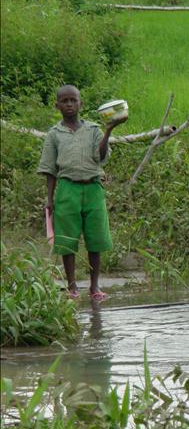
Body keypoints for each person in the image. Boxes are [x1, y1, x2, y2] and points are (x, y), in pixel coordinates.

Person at [37, 84, 126, 304]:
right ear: (57, 105)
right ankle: (72, 286)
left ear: (81, 104)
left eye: (73, 100)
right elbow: (50, 169)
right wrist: (49, 199)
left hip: (93, 188)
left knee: (96, 237)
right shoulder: (54, 134)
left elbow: (101, 157)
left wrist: (109, 130)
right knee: (67, 238)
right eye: (64, 101)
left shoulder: (94, 129)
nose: (69, 104)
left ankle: (95, 286)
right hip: (67, 189)